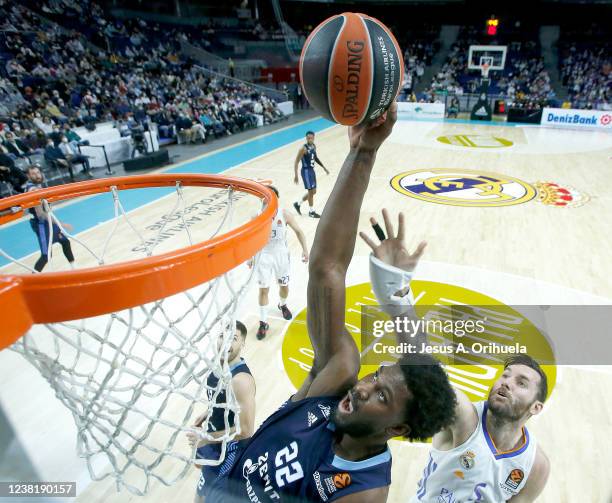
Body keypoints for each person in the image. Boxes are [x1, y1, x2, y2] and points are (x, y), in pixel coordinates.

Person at [206, 103, 457, 502]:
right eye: (376, 378)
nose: (363, 387)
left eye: (381, 396)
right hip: (225, 476)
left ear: (397, 430)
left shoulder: (361, 494)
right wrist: (364, 153)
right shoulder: (337, 378)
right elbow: (326, 269)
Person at [407, 354, 550, 502]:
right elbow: (426, 376)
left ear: (536, 407)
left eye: (521, 383)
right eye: (505, 376)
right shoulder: (463, 416)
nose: (506, 383)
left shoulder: (536, 466)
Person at [187, 321, 256, 502]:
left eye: (233, 338)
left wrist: (207, 438)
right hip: (215, 442)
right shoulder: (219, 366)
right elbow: (221, 399)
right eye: (222, 336)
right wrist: (209, 411)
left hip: (229, 453)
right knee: (200, 495)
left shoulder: (241, 380)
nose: (226, 342)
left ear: (243, 344)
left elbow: (247, 430)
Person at [251, 186, 309, 340]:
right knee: (263, 289)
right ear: (262, 199)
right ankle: (263, 322)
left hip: (280, 254)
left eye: (271, 197)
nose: (267, 199)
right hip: (263, 255)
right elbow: (250, 239)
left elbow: (299, 231)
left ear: (276, 199)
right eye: (265, 197)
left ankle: (282, 304)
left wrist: (305, 249)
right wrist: (250, 257)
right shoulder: (256, 216)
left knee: (284, 286)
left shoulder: (284, 214)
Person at [24, 165, 75, 272]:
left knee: (65, 241)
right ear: (28, 176)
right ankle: (34, 277)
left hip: (47, 221)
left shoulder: (37, 186)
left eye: (38, 172)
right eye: (33, 174)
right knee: (46, 255)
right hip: (41, 224)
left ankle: (74, 269)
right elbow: (41, 215)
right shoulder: (33, 189)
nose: (37, 175)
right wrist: (60, 223)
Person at [293, 131, 329, 219]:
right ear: (306, 138)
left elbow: (315, 158)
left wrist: (323, 167)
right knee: (310, 192)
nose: (310, 139)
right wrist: (296, 175)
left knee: (313, 192)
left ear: (314, 138)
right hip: (306, 171)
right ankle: (311, 212)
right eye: (308, 138)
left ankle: (298, 204)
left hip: (311, 171)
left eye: (311, 138)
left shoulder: (313, 146)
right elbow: (296, 162)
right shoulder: (303, 149)